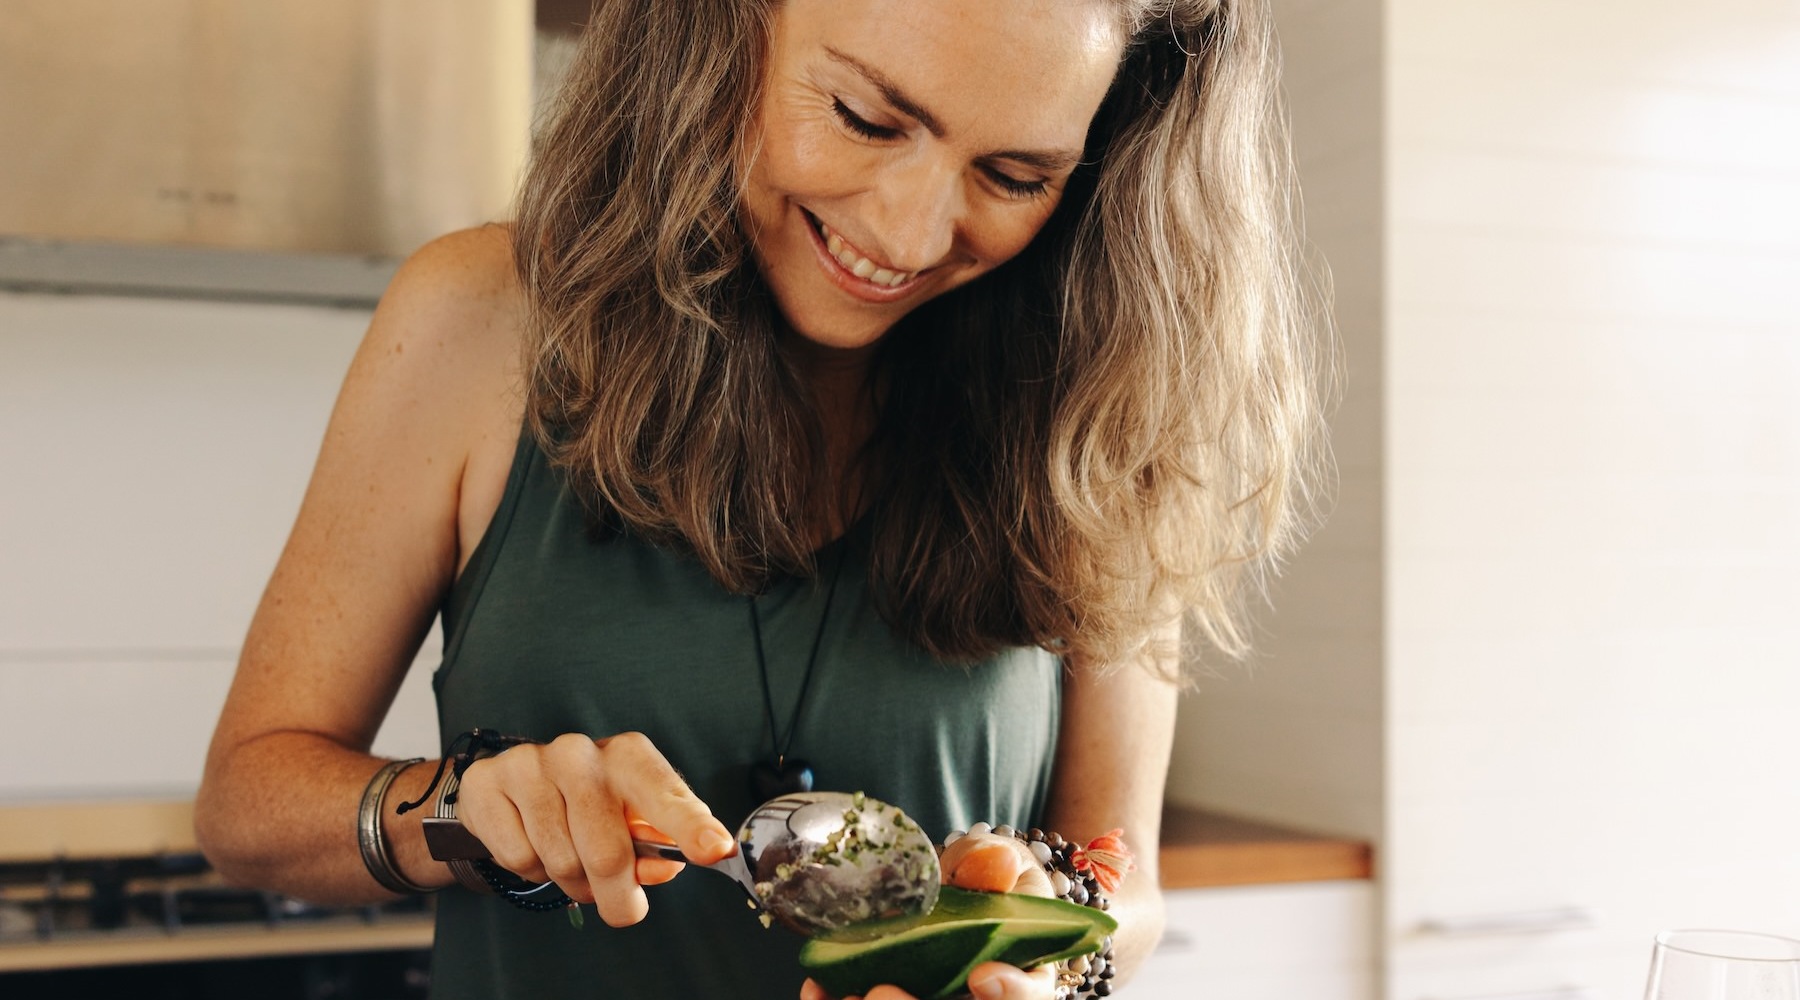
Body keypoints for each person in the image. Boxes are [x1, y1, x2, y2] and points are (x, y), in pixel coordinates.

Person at [195, 0, 1324, 997]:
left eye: (1015, 176)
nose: (910, 231)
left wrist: (1052, 960)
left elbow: (1122, 881)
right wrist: (465, 809)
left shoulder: (1103, 413)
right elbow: (247, 808)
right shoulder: (477, 320)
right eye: (869, 118)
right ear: (723, 26)